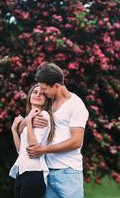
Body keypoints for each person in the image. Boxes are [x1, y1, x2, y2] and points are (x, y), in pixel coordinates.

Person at [26, 62, 89, 198]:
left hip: (68, 173)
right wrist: (29, 121)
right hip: (48, 171)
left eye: (44, 88)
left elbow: (76, 141)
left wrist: (43, 150)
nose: (41, 92)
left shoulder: (76, 105)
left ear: (56, 86)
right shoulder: (49, 103)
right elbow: (22, 125)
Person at [9, 84, 55, 198]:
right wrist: (14, 130)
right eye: (35, 92)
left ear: (46, 100)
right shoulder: (29, 117)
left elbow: (33, 147)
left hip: (34, 172)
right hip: (22, 172)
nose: (38, 95)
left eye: (42, 94)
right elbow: (21, 150)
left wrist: (28, 121)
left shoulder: (43, 115)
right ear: (30, 96)